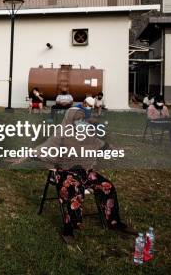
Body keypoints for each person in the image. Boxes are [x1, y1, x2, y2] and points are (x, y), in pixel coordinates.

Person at [35, 101, 134, 241]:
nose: (80, 122)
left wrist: (119, 148)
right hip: (64, 172)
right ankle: (68, 230)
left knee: (108, 186)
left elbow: (102, 145)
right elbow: (42, 150)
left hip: (84, 172)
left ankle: (114, 222)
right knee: (71, 190)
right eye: (77, 119)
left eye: (82, 119)